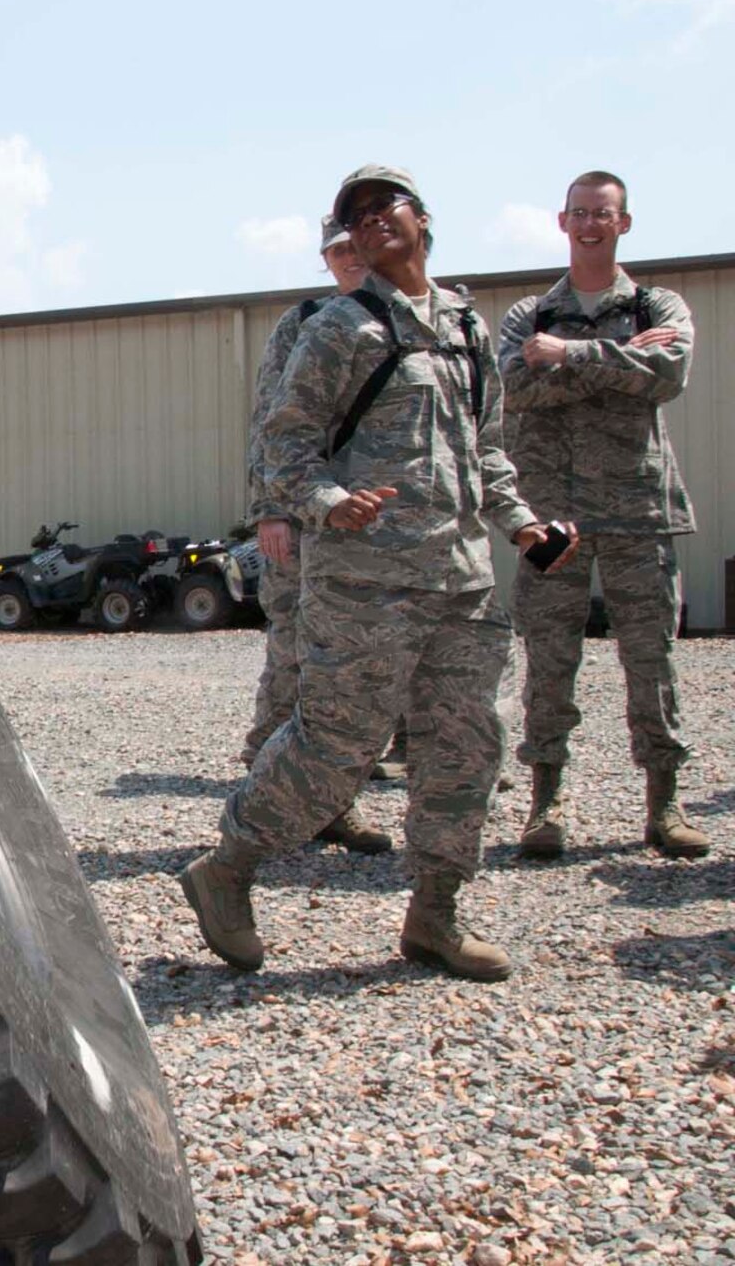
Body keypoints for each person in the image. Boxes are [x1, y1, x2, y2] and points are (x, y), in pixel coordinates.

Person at [181, 165, 577, 983]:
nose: (370, 222)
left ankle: (434, 915)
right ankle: (227, 869)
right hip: (364, 585)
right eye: (353, 217)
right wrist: (329, 502)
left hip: (462, 582)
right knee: (334, 748)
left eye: (383, 206)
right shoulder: (337, 329)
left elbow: (486, 451)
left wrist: (524, 525)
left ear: (422, 219)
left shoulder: (468, 325)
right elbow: (283, 448)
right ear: (348, 240)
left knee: (466, 747)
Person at [498, 171, 704, 860]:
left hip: (638, 511)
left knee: (653, 662)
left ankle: (664, 804)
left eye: (603, 214)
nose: (591, 224)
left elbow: (669, 374)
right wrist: (620, 363)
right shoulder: (529, 315)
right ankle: (545, 803)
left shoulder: (655, 305)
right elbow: (518, 389)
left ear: (624, 222)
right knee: (549, 662)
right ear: (562, 222)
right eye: (580, 213)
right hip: (552, 517)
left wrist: (573, 355)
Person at [241, 214, 392, 855]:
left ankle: (335, 792)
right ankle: (272, 788)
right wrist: (270, 509)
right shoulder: (301, 324)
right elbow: (270, 421)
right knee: (297, 654)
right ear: (325, 259)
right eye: (338, 249)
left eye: (358, 245)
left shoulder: (407, 319)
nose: (350, 257)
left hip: (387, 524)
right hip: (305, 520)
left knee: (364, 666)